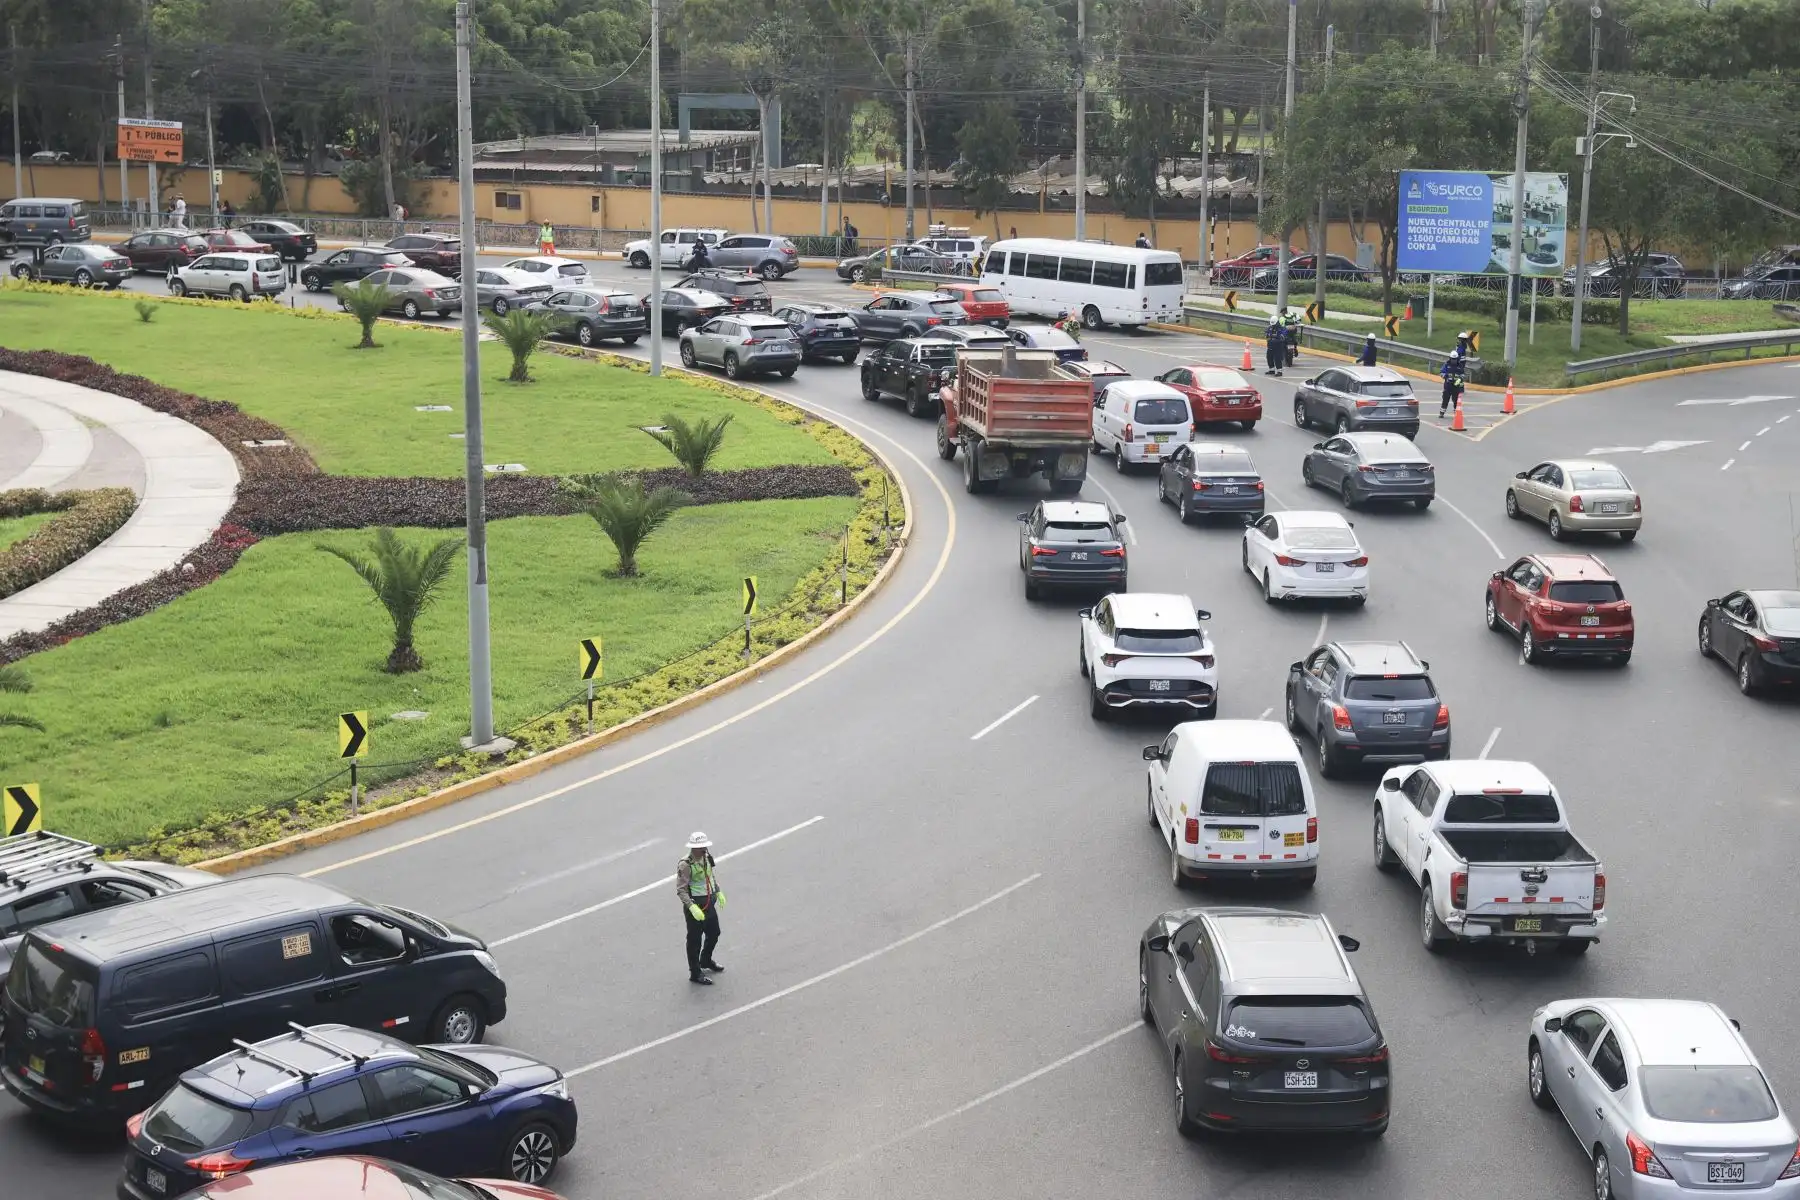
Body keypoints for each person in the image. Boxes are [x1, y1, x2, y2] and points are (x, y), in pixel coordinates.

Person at [676, 832, 724, 983]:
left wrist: (718, 890)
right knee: (694, 940)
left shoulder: (706, 857)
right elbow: (681, 890)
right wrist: (691, 907)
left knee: (714, 933)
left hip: (709, 902)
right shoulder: (686, 864)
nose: (703, 849)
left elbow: (710, 876)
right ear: (693, 848)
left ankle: (706, 959)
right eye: (699, 847)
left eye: (704, 846)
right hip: (695, 907)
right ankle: (695, 972)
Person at [1439, 348, 1467, 419]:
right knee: (1445, 399)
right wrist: (1445, 376)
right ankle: (1442, 413)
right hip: (1448, 385)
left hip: (1456, 386)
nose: (1454, 361)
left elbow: (1463, 375)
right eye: (1452, 359)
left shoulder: (1460, 366)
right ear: (1450, 358)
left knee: (1456, 401)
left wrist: (1459, 380)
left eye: (1455, 359)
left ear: (1457, 359)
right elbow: (1441, 372)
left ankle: (1456, 413)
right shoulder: (1446, 364)